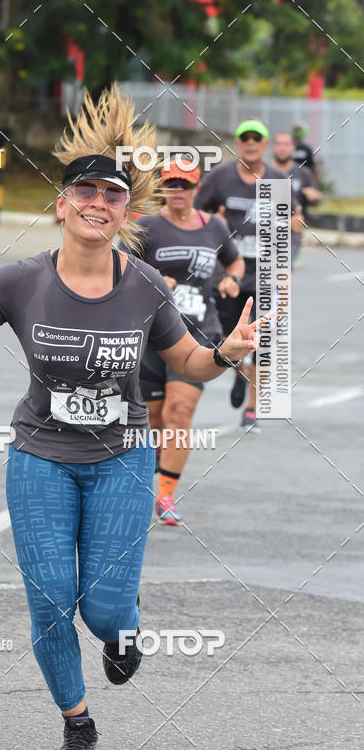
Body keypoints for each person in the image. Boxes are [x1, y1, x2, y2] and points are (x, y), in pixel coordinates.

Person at [0, 87, 267, 749]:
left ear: (126, 210)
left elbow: (189, 362)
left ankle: (124, 625)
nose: (97, 201)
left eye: (112, 194)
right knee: (51, 597)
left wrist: (226, 354)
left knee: (103, 606)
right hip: (40, 458)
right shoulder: (21, 281)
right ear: (60, 203)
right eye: (84, 190)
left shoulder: (144, 285)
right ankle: (78, 720)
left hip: (122, 459)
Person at [129, 157, 244, 525]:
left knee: (180, 413)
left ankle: (165, 496)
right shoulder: (145, 226)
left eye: (185, 185)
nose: (177, 191)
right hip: (152, 335)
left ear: (197, 188)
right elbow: (119, 270)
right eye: (171, 184)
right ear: (162, 188)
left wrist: (232, 280)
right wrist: (154, 283)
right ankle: (149, 477)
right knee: (153, 418)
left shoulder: (215, 227)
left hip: (198, 336)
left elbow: (235, 262)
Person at [195, 119, 287, 434]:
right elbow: (198, 215)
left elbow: (285, 233)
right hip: (229, 277)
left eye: (256, 138)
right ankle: (238, 373)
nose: (250, 143)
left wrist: (284, 278)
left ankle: (251, 408)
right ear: (237, 142)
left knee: (264, 344)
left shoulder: (277, 180)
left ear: (265, 144)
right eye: (244, 138)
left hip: (266, 277)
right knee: (230, 340)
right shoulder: (220, 177)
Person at [272, 131, 323, 266]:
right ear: (273, 147)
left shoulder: (303, 173)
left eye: (286, 144)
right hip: (265, 231)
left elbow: (317, 198)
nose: (282, 148)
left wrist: (315, 196)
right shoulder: (264, 171)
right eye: (278, 144)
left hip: (292, 232)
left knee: (283, 272)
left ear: (293, 148)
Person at [291, 122, 320, 188]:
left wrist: (315, 183)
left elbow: (312, 167)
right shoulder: (288, 148)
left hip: (303, 179)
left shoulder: (307, 149)